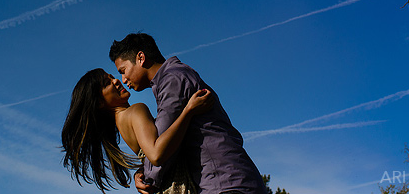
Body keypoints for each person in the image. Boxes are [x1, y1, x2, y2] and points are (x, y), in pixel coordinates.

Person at [109, 33, 265, 194]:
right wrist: (142, 171)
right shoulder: (174, 76)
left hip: (225, 183)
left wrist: (147, 178)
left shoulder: (172, 80)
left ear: (141, 58)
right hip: (229, 180)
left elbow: (159, 152)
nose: (123, 79)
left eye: (123, 70)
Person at [62, 67, 213, 192]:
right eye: (107, 83)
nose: (115, 81)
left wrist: (140, 170)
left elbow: (148, 156)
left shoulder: (122, 124)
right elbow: (155, 154)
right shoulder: (136, 111)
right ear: (100, 102)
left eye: (111, 77)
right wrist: (188, 111)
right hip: (178, 185)